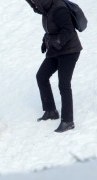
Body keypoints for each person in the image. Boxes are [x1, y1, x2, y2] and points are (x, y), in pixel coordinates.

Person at [25, 0, 82, 132]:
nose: (34, 4)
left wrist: (56, 42)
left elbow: (67, 30)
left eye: (34, 1)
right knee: (41, 76)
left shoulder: (59, 9)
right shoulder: (46, 9)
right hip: (56, 50)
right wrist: (45, 41)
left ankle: (68, 121)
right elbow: (51, 27)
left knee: (64, 84)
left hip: (70, 51)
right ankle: (51, 111)